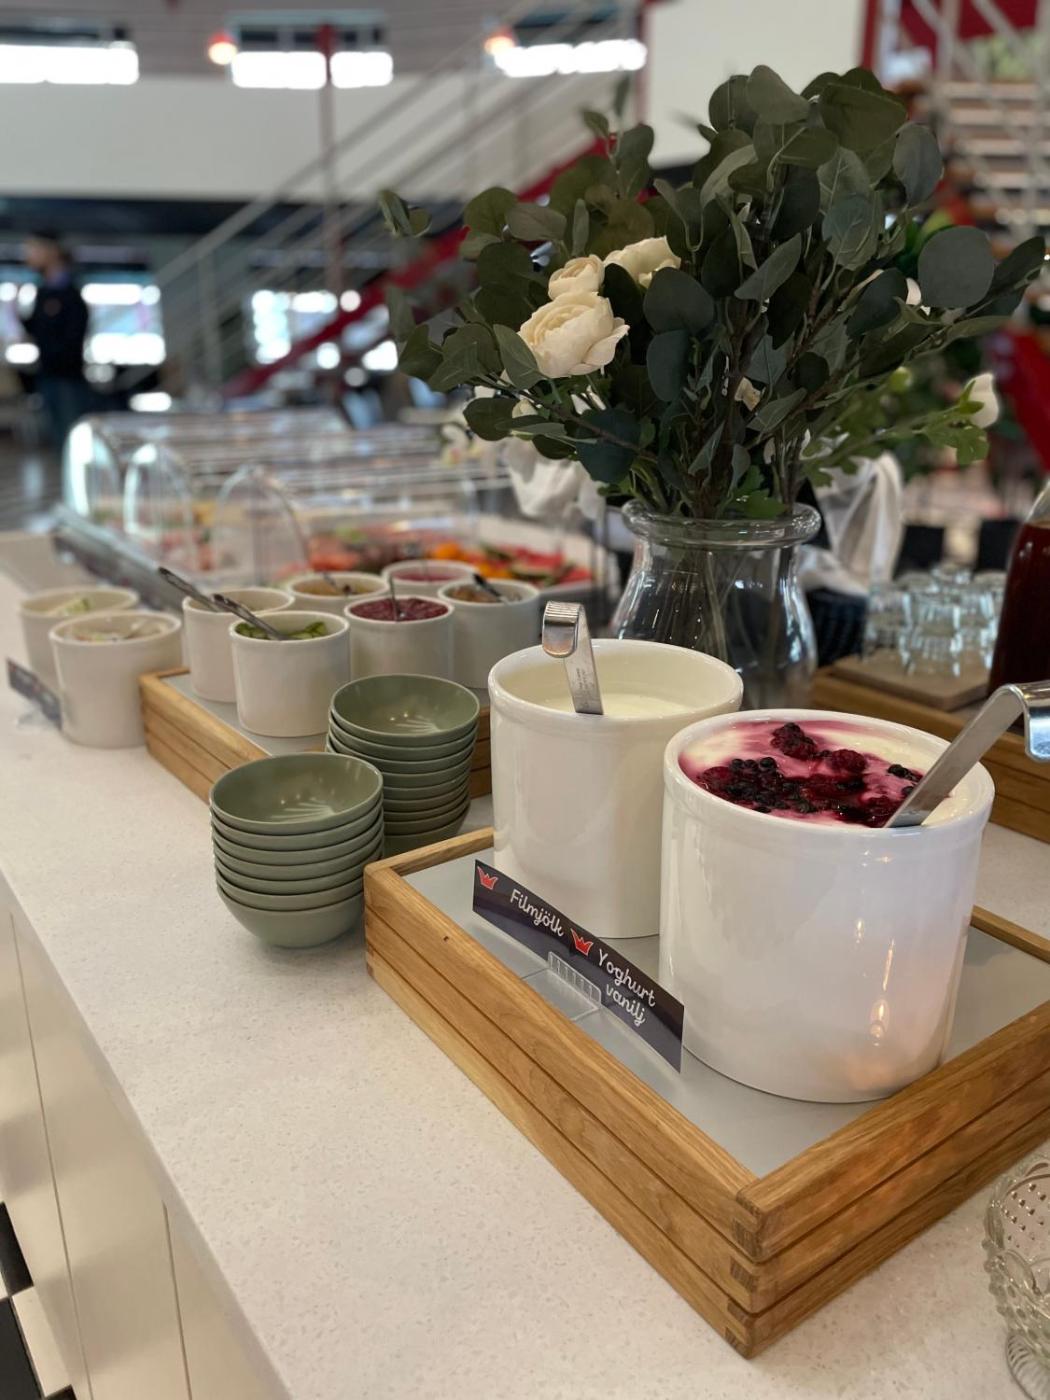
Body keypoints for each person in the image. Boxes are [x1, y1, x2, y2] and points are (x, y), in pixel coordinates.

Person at [20, 233, 92, 449]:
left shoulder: (69, 294)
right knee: (57, 436)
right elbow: (37, 330)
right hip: (47, 373)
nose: (28, 256)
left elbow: (72, 336)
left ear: (51, 251)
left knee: (70, 438)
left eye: (33, 250)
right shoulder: (43, 291)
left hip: (67, 377)